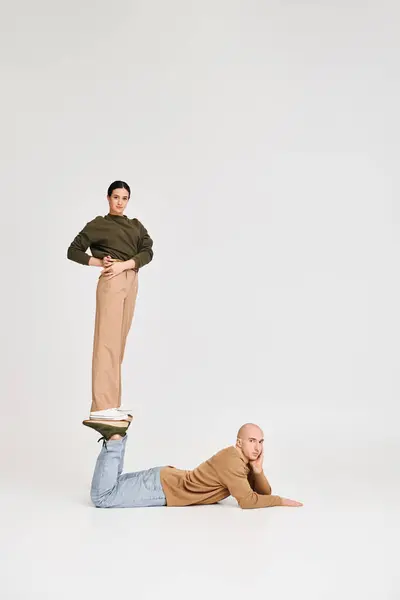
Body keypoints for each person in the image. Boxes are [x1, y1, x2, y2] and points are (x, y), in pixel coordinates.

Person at [67, 180, 153, 421]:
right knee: (106, 341)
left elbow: (148, 251)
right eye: (116, 197)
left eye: (124, 198)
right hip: (113, 280)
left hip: (131, 278)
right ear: (108, 198)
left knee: (118, 342)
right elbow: (73, 250)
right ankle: (101, 405)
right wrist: (99, 263)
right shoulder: (99, 224)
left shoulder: (136, 226)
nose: (120, 202)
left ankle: (111, 403)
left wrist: (127, 264)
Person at [83, 419, 303, 509]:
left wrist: (258, 470)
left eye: (261, 442)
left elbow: (262, 491)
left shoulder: (241, 462)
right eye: (252, 441)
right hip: (163, 488)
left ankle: (117, 436)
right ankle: (116, 438)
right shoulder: (233, 461)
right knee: (104, 497)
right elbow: (247, 501)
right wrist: (280, 501)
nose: (258, 447)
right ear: (239, 442)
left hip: (164, 481)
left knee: (113, 486)